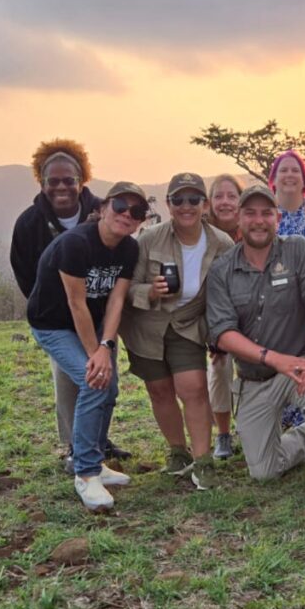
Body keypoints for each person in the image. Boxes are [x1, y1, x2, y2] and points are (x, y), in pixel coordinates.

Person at [207, 184, 305, 501]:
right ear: (238, 219)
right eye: (250, 213)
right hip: (254, 378)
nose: (259, 220)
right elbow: (223, 334)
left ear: (277, 218)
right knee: (264, 472)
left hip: (299, 365)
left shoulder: (298, 250)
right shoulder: (223, 269)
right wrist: (273, 359)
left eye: (266, 213)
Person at [10, 138, 130, 471]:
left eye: (69, 180)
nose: (61, 187)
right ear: (42, 182)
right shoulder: (29, 223)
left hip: (99, 315)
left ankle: (96, 443)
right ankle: (75, 449)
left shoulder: (102, 213)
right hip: (57, 320)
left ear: (82, 181)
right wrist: (49, 306)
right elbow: (24, 272)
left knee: (107, 379)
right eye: (53, 181)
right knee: (73, 380)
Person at [27, 182, 148, 511]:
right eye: (121, 206)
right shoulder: (76, 244)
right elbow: (76, 303)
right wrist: (96, 354)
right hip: (52, 323)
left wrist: (106, 345)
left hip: (94, 322)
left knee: (107, 386)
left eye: (136, 212)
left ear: (141, 221)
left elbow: (116, 300)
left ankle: (93, 460)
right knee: (93, 380)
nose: (127, 215)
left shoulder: (128, 249)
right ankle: (85, 473)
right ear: (104, 206)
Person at [120, 172, 234, 490]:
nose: (187, 206)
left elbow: (223, 296)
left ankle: (203, 460)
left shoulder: (220, 244)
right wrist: (150, 292)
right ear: (169, 205)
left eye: (194, 199)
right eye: (179, 200)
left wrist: (218, 335)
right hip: (147, 325)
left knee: (194, 388)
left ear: (205, 204)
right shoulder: (149, 239)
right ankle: (177, 452)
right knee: (159, 390)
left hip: (188, 324)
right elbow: (126, 289)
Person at [206, 174, 244, 458]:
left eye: (232, 196)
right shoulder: (201, 233)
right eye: (219, 196)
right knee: (220, 367)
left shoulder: (251, 228)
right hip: (214, 314)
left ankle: (252, 422)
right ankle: (222, 434)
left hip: (251, 311)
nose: (225, 202)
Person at [268, 150, 305, 240]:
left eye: (295, 170)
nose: (290, 174)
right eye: (283, 170)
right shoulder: (263, 214)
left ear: (304, 181)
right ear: (274, 180)